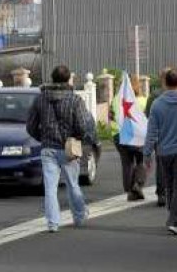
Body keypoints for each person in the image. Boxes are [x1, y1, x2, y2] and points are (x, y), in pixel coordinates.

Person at [27, 65, 96, 232]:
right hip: (68, 148)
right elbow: (81, 125)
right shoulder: (75, 100)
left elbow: (31, 126)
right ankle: (79, 217)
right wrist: (78, 139)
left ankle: (52, 223)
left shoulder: (40, 99)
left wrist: (42, 137)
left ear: (52, 78)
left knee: (50, 188)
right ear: (67, 80)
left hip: (48, 148)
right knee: (73, 184)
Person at [144, 69, 177, 237]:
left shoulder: (157, 104)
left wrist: (147, 153)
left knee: (170, 184)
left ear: (165, 83)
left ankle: (172, 214)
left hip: (164, 151)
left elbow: (151, 131)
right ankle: (175, 221)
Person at [109, 76, 149, 201]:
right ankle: (138, 184)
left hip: (119, 135)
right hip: (139, 135)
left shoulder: (116, 100)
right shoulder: (143, 101)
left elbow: (111, 117)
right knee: (142, 161)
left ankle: (130, 191)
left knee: (127, 163)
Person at [145, 67, 171, 206]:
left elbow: (148, 115)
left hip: (159, 134)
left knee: (161, 164)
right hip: (176, 134)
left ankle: (161, 193)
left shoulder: (154, 95)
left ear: (161, 79)